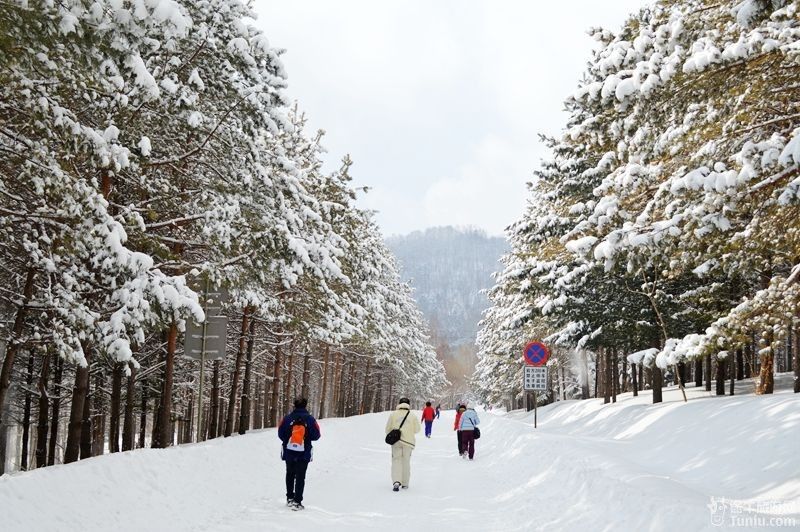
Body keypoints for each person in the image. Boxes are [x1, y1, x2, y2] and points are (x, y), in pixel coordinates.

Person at [278, 397, 321, 510]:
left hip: (289, 451)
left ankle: (289, 498)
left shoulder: (287, 418)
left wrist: (289, 439)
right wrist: (305, 438)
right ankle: (297, 501)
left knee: (290, 474)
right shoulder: (310, 419)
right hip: (304, 452)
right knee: (301, 477)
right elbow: (316, 435)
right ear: (305, 405)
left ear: (295, 405)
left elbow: (280, 434)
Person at [384, 397, 421, 491]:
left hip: (396, 442)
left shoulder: (393, 415)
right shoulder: (412, 416)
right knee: (406, 462)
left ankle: (396, 482)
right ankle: (405, 483)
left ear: (399, 404)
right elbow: (417, 430)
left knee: (396, 461)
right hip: (408, 442)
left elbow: (387, 429)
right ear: (408, 404)